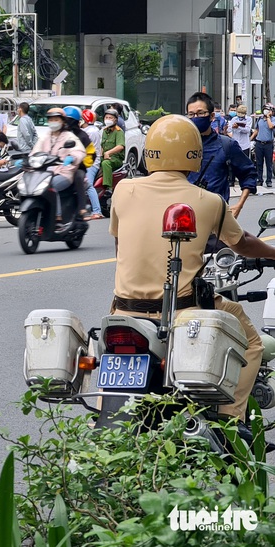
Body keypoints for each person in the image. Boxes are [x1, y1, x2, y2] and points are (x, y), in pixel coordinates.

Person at [109, 114, 275, 423]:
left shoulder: (123, 191)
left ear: (149, 152)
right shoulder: (209, 201)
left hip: (123, 314)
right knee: (252, 342)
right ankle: (230, 419)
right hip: (182, 313)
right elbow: (243, 243)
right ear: (196, 154)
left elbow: (121, 247)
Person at [186, 92, 255, 221]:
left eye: (200, 113)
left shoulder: (226, 145)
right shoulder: (179, 145)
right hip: (184, 221)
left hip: (216, 221)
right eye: (191, 114)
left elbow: (249, 174)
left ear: (212, 116)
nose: (195, 117)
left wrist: (239, 205)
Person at [31, 107, 87, 231]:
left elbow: (80, 151)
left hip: (64, 172)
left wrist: (71, 158)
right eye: (51, 119)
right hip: (44, 173)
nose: (53, 122)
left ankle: (58, 218)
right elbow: (35, 151)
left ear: (63, 121)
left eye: (56, 119)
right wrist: (26, 160)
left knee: (50, 187)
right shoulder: (46, 136)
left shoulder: (69, 136)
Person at [80, 108, 104, 220]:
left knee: (88, 185)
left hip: (91, 163)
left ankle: (97, 211)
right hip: (88, 161)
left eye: (81, 119)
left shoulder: (89, 132)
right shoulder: (94, 129)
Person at [100, 108, 125, 190]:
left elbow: (120, 146)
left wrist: (108, 153)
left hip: (115, 159)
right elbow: (102, 146)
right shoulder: (104, 131)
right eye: (106, 117)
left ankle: (108, 188)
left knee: (105, 163)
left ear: (115, 120)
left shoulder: (119, 132)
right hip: (105, 156)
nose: (108, 120)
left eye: (110, 118)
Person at [251, 102, 274, 187]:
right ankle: (259, 179)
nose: (266, 111)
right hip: (259, 143)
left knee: (269, 163)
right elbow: (257, 130)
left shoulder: (273, 119)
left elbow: (271, 126)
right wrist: (250, 138)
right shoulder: (259, 119)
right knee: (259, 163)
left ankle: (268, 180)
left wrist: (268, 117)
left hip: (268, 144)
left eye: (269, 110)